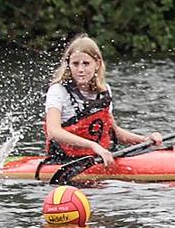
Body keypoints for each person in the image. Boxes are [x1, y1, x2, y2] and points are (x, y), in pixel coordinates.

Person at [42, 35, 158, 171]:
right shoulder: (58, 90)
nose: (80, 70)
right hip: (63, 160)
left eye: (86, 63)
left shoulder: (104, 90)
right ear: (68, 65)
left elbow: (115, 132)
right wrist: (93, 146)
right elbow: (53, 131)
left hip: (96, 157)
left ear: (97, 64)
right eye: (75, 64)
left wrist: (145, 140)